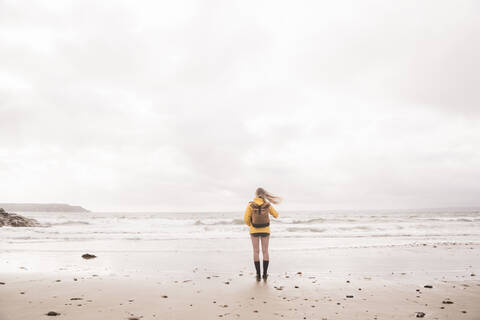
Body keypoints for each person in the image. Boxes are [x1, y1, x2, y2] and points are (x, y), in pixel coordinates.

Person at [244, 187, 280, 281]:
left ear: (256, 194)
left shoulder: (250, 205)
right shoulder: (267, 205)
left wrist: (251, 225)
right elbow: (276, 215)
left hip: (254, 230)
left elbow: (246, 219)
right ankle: (265, 274)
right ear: (264, 194)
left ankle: (258, 274)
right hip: (265, 230)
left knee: (256, 251)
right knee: (265, 251)